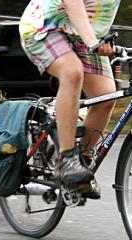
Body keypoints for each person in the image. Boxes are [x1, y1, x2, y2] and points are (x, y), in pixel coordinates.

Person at [19, 0, 121, 198]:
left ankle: (81, 162)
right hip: (46, 26)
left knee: (106, 97)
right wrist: (92, 40)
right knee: (72, 72)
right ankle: (66, 159)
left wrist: (92, 40)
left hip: (85, 36)